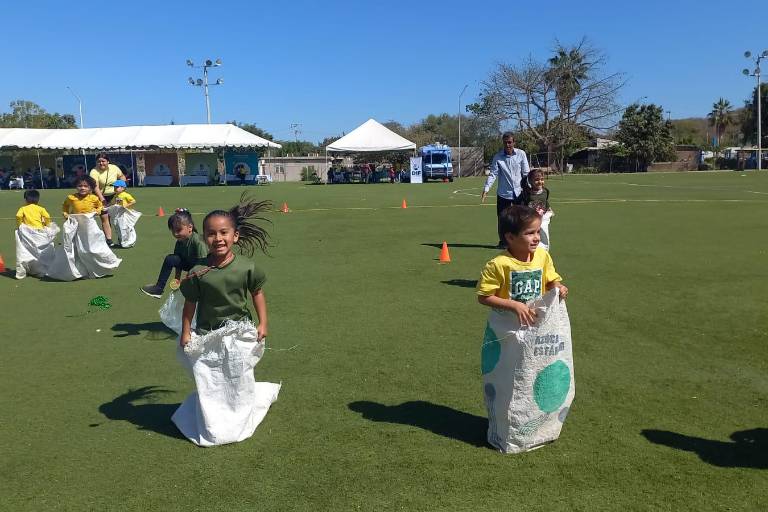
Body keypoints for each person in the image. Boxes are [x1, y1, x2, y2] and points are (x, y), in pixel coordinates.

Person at [179, 195, 271, 344]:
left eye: (223, 232)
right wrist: (186, 332)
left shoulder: (247, 267)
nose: (218, 238)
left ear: (235, 236)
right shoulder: (197, 271)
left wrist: (263, 323)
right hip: (207, 334)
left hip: (240, 332)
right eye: (211, 234)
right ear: (204, 238)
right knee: (204, 369)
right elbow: (190, 303)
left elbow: (257, 293)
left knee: (239, 368)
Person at [476, 205, 568, 326]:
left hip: (535, 322)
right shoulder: (498, 264)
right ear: (510, 237)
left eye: (538, 232)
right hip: (507, 328)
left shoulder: (542, 256)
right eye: (530, 233)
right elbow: (484, 297)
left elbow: (551, 281)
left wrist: (559, 287)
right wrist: (514, 305)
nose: (537, 238)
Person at [140, 209, 209, 298]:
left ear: (190, 227)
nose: (176, 234)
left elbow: (203, 265)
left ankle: (202, 288)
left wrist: (189, 279)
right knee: (170, 258)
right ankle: (158, 289)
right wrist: (177, 280)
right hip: (190, 265)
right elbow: (177, 261)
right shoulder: (180, 242)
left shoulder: (198, 242)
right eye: (173, 231)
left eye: (179, 230)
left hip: (204, 268)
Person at [481, 132, 531, 248]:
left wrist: (529, 187)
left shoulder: (521, 154)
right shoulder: (498, 157)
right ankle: (503, 242)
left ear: (514, 142)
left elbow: (526, 173)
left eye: (510, 142)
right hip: (504, 193)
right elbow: (493, 174)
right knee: (502, 219)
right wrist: (486, 188)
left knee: (522, 218)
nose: (508, 145)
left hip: (519, 192)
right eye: (505, 142)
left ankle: (522, 240)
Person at [15, 189, 58, 279]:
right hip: (39, 231)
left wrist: (20, 225)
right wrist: (47, 225)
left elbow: (18, 216)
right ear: (38, 200)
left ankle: (26, 269)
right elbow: (47, 216)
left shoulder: (23, 208)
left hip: (27, 231)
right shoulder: (41, 208)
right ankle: (42, 269)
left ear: (25, 199)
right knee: (40, 250)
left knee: (27, 249)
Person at [90, 153, 126, 246]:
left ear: (108, 162)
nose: (101, 163)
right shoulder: (94, 172)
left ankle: (123, 238)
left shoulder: (114, 168)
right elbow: (95, 187)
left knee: (119, 217)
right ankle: (109, 240)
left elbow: (122, 176)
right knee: (105, 217)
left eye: (103, 161)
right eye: (99, 161)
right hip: (101, 196)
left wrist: (122, 186)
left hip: (115, 196)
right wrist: (102, 199)